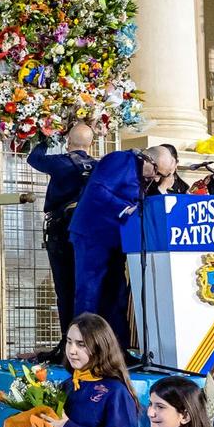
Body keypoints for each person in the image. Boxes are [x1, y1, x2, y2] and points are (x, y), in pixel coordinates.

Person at [70, 147, 155, 353]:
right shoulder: (121, 159)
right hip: (93, 234)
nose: (156, 177)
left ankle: (118, 351)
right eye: (158, 171)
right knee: (89, 293)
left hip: (116, 239)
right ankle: (82, 348)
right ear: (149, 159)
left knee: (116, 295)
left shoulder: (143, 172)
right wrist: (125, 208)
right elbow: (98, 189)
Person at [26, 121, 97, 335]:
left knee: (65, 287)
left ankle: (69, 341)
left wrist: (46, 136)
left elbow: (34, 159)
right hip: (88, 233)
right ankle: (89, 340)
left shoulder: (61, 162)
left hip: (61, 230)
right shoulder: (98, 167)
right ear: (91, 145)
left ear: (67, 142)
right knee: (85, 286)